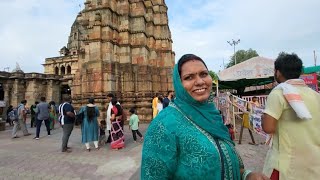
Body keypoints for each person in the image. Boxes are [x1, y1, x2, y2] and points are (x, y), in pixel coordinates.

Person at [141, 54, 268, 179]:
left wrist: (247, 175)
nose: (200, 82)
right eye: (189, 77)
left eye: (203, 74)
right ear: (179, 84)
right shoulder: (163, 125)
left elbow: (227, 162)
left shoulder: (213, 117)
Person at [262, 53, 320, 179]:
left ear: (278, 72)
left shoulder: (279, 92)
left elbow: (268, 127)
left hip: (286, 167)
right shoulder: (315, 95)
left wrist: (263, 117)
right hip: (313, 165)